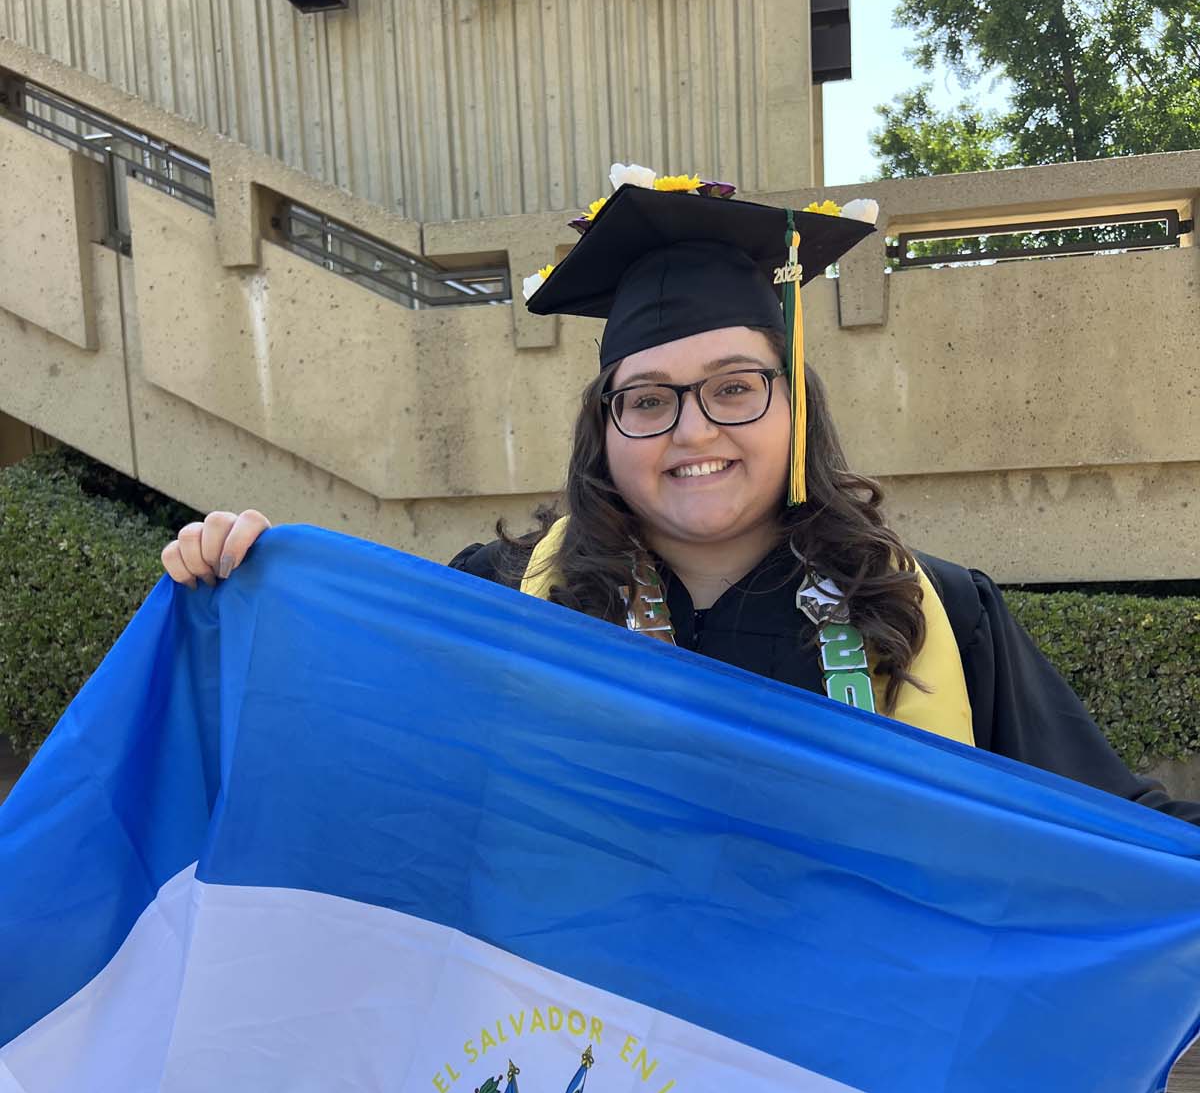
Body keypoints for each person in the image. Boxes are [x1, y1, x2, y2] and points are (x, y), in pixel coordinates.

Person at [161, 169, 1200, 825]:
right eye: (649, 399)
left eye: (735, 388)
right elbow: (339, 752)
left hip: (840, 1086)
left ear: (794, 403)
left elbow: (1120, 841)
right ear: (604, 426)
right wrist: (248, 595)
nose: (695, 431)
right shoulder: (502, 600)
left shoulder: (932, 614)